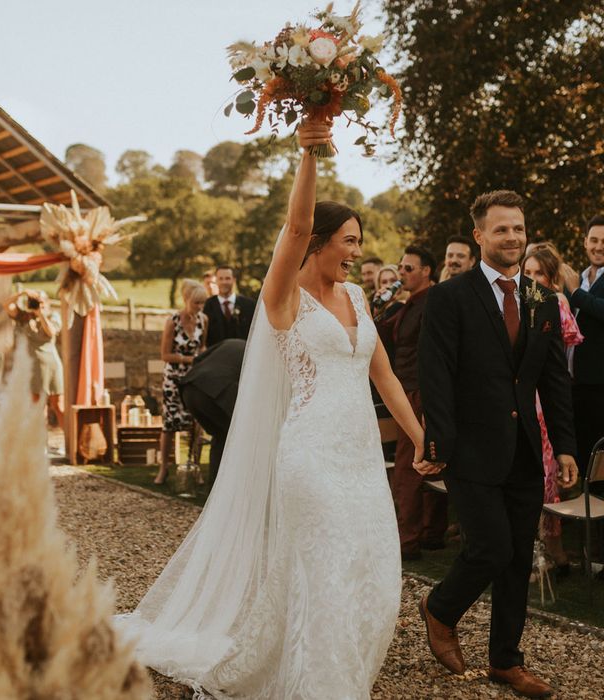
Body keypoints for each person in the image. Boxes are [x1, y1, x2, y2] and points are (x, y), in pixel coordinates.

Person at [119, 119, 429, 698]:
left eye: (360, 243)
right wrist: (311, 151)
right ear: (318, 244)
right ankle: (324, 686)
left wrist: (421, 439)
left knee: (376, 574)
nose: (357, 252)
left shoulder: (359, 298)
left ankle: (333, 667)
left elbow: (383, 375)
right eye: (349, 241)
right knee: (328, 573)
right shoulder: (283, 297)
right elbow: (297, 222)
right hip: (309, 456)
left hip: (360, 459)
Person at [418, 190, 578, 698]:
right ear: (480, 236)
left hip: (526, 450)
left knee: (516, 559)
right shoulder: (449, 297)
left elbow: (554, 381)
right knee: (489, 548)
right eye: (501, 229)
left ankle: (506, 661)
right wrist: (438, 443)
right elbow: (435, 374)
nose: (512, 237)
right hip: (468, 447)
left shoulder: (545, 300)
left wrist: (567, 447)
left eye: (518, 228)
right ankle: (440, 609)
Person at [522, 245, 583, 572]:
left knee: (548, 477)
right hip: (522, 398)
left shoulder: (555, 303)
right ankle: (536, 551)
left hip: (544, 400)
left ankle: (550, 548)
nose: (531, 280)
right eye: (527, 273)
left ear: (551, 278)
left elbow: (560, 360)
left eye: (538, 273)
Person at [392, 245, 448, 561]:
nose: (402, 273)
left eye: (408, 268)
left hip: (418, 393)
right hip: (406, 389)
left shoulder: (433, 302)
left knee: (409, 468)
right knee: (420, 465)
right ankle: (427, 534)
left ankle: (409, 540)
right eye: (401, 267)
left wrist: (428, 401)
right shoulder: (407, 304)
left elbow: (432, 352)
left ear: (427, 271)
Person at [562, 215, 604, 479]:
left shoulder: (577, 286)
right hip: (575, 384)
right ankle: (586, 513)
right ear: (585, 242)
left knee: (601, 459)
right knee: (584, 452)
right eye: (594, 240)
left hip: (600, 385)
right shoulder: (578, 278)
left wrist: (576, 293)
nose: (599, 246)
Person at [154, 280, 208, 485]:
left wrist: (203, 358)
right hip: (173, 379)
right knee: (169, 424)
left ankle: (195, 468)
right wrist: (188, 360)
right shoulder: (173, 321)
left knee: (197, 424)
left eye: (202, 303)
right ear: (186, 300)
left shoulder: (204, 320)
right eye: (196, 303)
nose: (199, 307)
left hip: (195, 378)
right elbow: (165, 354)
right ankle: (163, 469)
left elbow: (202, 347)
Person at [179, 339, 245, 488]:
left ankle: (215, 489)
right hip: (216, 394)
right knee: (236, 437)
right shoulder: (254, 354)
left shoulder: (230, 342)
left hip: (189, 389)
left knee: (221, 437)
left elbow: (197, 359)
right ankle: (231, 488)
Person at [4, 289, 64, 427]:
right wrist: (22, 293)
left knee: (59, 406)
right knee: (37, 408)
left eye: (41, 302)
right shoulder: (23, 316)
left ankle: (68, 444)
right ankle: (41, 445)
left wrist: (41, 314)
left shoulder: (53, 316)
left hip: (51, 365)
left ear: (47, 303)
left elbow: (51, 332)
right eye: (35, 302)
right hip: (33, 367)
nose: (38, 304)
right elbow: (6, 305)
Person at [203, 266, 255, 347]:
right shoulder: (206, 306)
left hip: (242, 355)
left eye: (227, 278)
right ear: (216, 281)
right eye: (221, 279)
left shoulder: (249, 305)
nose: (224, 282)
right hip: (215, 355)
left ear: (234, 280)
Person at [371, 263, 406, 357]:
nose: (388, 285)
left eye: (393, 281)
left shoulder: (402, 305)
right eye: (384, 282)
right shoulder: (378, 307)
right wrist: (376, 310)